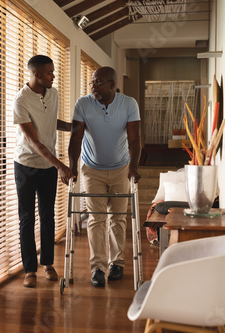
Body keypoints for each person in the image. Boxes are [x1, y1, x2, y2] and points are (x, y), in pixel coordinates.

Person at [68, 66, 141, 287]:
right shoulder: (83, 103)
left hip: (120, 168)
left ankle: (117, 263)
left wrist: (134, 167)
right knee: (96, 218)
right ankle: (97, 268)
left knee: (117, 218)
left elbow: (135, 139)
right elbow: (75, 138)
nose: (93, 86)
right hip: (92, 170)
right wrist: (72, 167)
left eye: (98, 82)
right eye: (92, 82)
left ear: (111, 85)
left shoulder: (128, 104)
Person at [13, 55, 73, 288]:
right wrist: (61, 165)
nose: (53, 76)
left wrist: (72, 127)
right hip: (26, 165)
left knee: (47, 215)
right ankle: (29, 270)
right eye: (49, 72)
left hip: (48, 166)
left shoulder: (53, 93)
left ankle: (47, 263)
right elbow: (35, 142)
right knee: (26, 218)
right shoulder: (21, 101)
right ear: (36, 74)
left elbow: (49, 120)